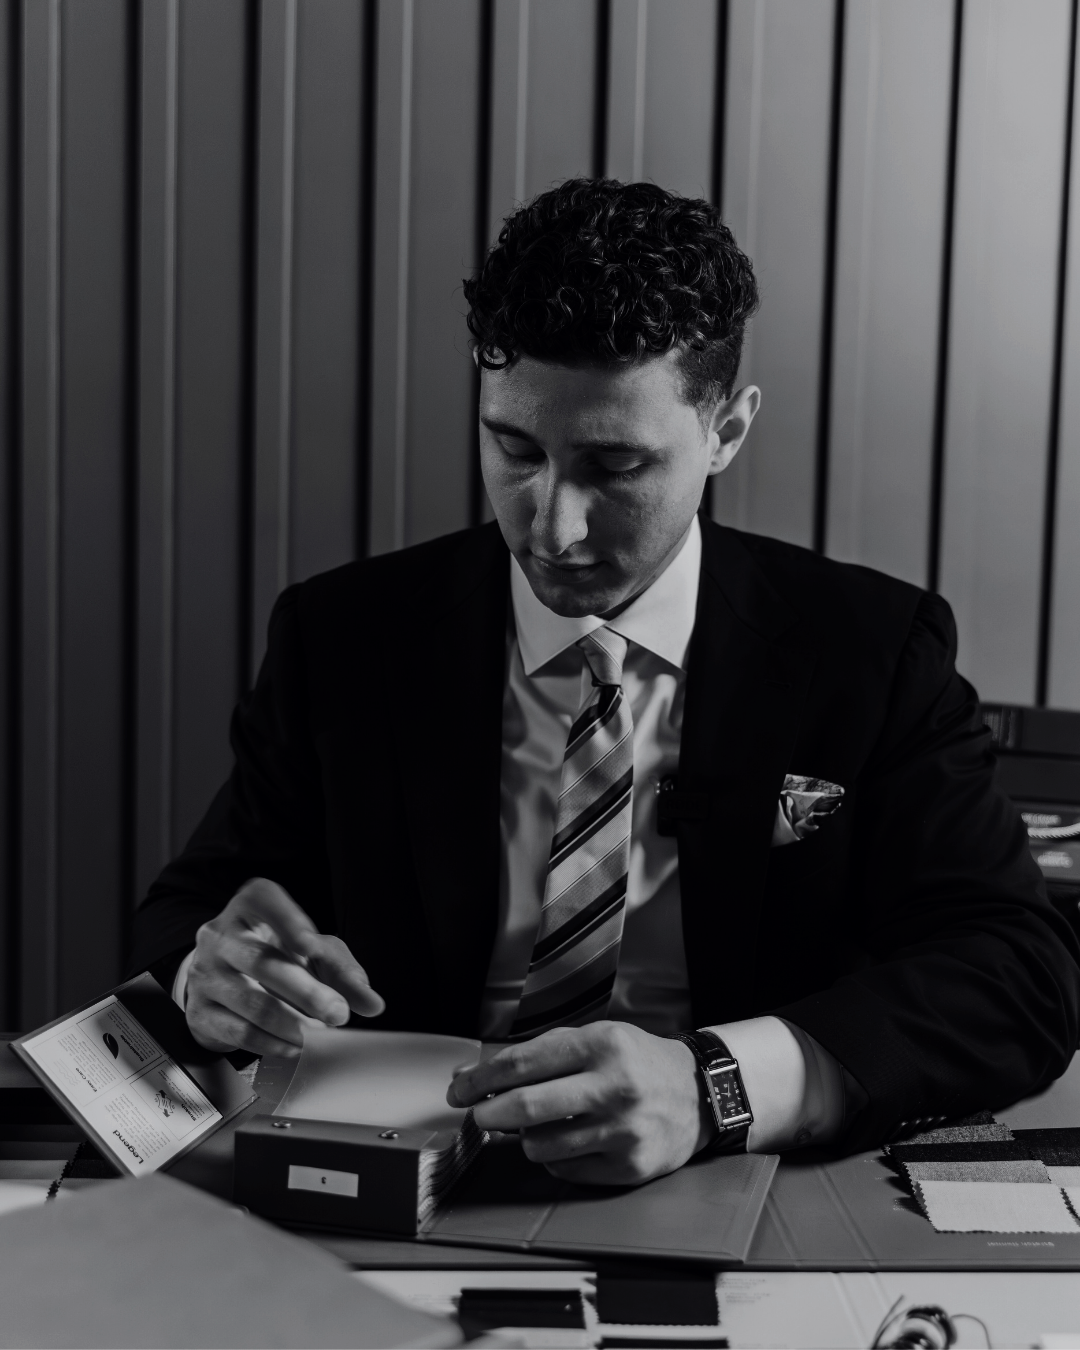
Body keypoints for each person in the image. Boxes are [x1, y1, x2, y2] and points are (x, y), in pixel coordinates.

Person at [130, 179, 1080, 1186]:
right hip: (394, 1191)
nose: (552, 529)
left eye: (615, 466)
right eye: (515, 450)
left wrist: (713, 1086)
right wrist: (212, 974)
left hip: (745, 1187)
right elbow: (196, 905)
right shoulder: (342, 636)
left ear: (727, 431)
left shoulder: (873, 649)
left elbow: (1019, 974)